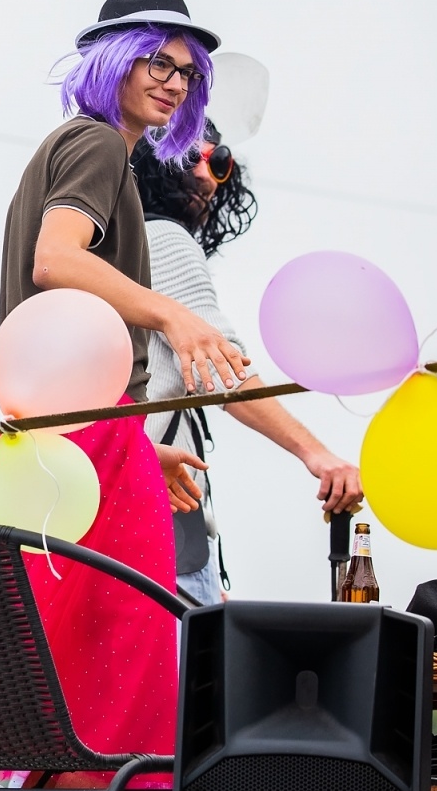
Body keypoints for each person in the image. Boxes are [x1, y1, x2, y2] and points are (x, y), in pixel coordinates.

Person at [0, 0, 246, 791]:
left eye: (188, 70)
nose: (174, 81)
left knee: (60, 731)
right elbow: (56, 260)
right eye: (156, 60)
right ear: (112, 61)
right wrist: (170, 312)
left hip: (67, 446)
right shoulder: (97, 144)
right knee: (98, 729)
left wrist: (141, 445)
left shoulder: (83, 150)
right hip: (85, 452)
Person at [131, 124, 363, 605]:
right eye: (194, 156)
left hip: (140, 506)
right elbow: (225, 371)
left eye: (220, 164)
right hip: (152, 511)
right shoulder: (167, 238)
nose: (209, 176)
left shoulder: (126, 250)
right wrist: (317, 455)